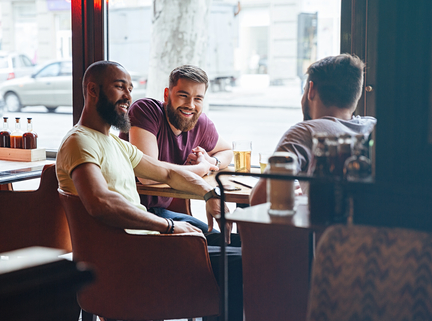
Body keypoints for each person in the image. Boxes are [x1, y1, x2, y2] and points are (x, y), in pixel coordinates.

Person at [56, 60, 242, 320]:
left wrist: (210, 194)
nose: (128, 96)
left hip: (143, 245)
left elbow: (166, 172)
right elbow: (100, 202)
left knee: (238, 252)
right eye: (120, 87)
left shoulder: (113, 143)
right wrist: (169, 226)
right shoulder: (80, 141)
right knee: (242, 264)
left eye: (130, 88)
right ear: (93, 90)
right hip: (132, 256)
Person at [250, 54, 377, 205]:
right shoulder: (374, 126)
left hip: (325, 228)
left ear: (311, 90)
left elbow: (259, 199)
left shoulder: (305, 132)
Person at [119, 65, 232, 234]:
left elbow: (227, 151)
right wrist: (199, 169)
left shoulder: (200, 123)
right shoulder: (146, 111)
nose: (190, 105)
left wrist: (211, 161)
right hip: (133, 215)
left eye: (198, 99)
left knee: (232, 243)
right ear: (167, 94)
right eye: (183, 95)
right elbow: (147, 176)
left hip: (162, 213)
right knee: (219, 248)